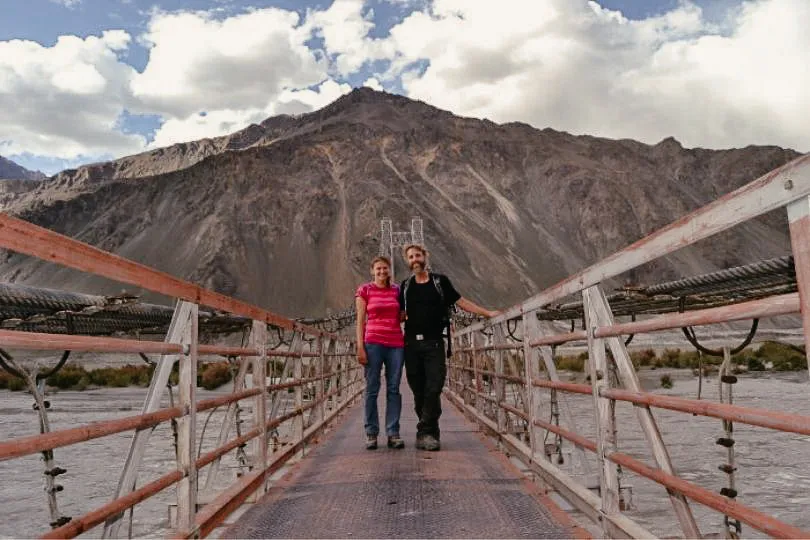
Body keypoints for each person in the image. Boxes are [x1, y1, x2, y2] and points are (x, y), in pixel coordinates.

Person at [398, 244, 499, 451]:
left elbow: (461, 302)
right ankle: (429, 432)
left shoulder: (440, 282)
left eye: (418, 255)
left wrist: (486, 313)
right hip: (411, 345)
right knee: (418, 390)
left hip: (434, 343)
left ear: (425, 257)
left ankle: (425, 432)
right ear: (406, 261)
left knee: (434, 386)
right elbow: (396, 313)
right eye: (410, 257)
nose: (414, 259)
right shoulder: (404, 286)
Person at [355, 256, 405, 450]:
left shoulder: (397, 290)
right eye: (378, 269)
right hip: (373, 343)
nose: (382, 272)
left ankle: (393, 433)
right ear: (372, 270)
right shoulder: (364, 290)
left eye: (385, 268)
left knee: (394, 388)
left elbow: (402, 315)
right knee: (372, 388)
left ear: (389, 270)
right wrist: (360, 347)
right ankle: (371, 433)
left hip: (395, 344)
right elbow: (360, 320)